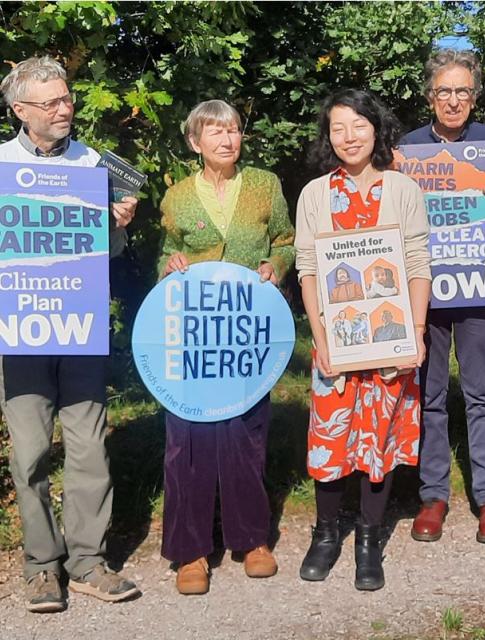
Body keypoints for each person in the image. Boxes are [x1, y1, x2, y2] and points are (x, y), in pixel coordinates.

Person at [0, 56, 139, 612]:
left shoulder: (93, 163)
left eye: (67, 97)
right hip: (23, 329)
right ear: (20, 110)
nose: (66, 108)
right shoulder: (0, 165)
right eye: (51, 102)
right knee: (30, 453)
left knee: (89, 449)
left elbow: (106, 254)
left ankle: (87, 562)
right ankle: (40, 567)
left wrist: (117, 228)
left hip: (79, 326)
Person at [295, 89, 431, 591]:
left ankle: (368, 539)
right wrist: (322, 338)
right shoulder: (314, 195)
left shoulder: (402, 189)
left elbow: (418, 265)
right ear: (328, 136)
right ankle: (326, 533)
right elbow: (308, 272)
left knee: (382, 438)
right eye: (338, 128)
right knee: (330, 441)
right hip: (337, 341)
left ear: (376, 130)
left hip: (392, 342)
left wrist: (415, 334)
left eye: (358, 125)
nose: (348, 136)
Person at [158, 99, 295, 595]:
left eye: (233, 130)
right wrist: (168, 264)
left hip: (245, 332)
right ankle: (189, 551)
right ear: (195, 142)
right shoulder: (175, 196)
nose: (227, 140)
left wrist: (275, 267)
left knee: (245, 433)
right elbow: (163, 255)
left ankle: (252, 539)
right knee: (185, 440)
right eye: (215, 132)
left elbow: (285, 241)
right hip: (192, 336)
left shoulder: (265, 185)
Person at [401, 49, 485, 545]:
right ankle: (433, 495)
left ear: (474, 97)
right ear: (430, 97)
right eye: (444, 91)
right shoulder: (406, 148)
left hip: (477, 287)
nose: (453, 100)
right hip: (425, 289)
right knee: (426, 395)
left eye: (463, 91)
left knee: (483, 394)